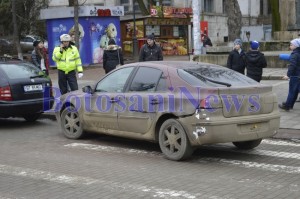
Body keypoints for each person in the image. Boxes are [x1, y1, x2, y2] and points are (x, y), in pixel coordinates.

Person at [278, 38, 300, 111]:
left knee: (291, 91)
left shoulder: (294, 54)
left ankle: (287, 106)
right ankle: (290, 104)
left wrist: (288, 75)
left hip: (295, 75)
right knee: (295, 91)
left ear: (296, 46)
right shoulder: (298, 53)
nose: (290, 46)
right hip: (298, 75)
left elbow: (292, 65)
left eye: (291, 44)